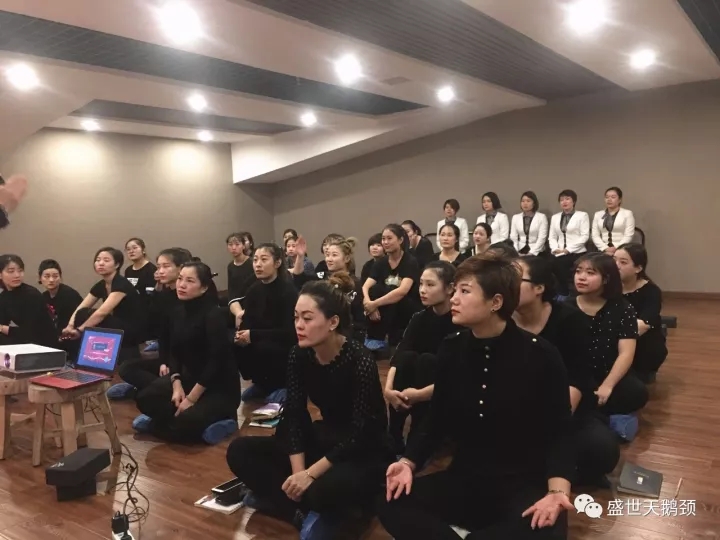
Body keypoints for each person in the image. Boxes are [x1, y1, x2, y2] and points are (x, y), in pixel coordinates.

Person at [378, 253, 573, 540]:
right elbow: (436, 418)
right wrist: (408, 463)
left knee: (550, 527)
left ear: (496, 302)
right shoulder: (452, 347)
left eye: (464, 291)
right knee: (390, 499)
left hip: (520, 483)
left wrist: (557, 491)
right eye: (455, 290)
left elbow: (561, 430)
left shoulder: (541, 354)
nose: (454, 298)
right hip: (465, 478)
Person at [226, 274, 393, 535]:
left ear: (333, 322)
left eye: (307, 318)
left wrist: (311, 474)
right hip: (325, 436)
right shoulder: (299, 353)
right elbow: (295, 414)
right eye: (295, 317)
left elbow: (363, 432)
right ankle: (297, 510)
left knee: (323, 491)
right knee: (239, 451)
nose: (299, 325)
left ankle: (286, 502)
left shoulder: (359, 359)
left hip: (361, 448)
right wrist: (299, 472)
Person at [513, 256, 619, 486]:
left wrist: (550, 424)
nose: (505, 285)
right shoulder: (499, 318)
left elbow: (576, 379)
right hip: (512, 404)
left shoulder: (569, 320)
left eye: (515, 280)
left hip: (561, 405)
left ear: (539, 288)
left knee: (600, 450)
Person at [132, 262, 240, 444]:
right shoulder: (177, 312)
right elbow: (174, 352)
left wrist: (191, 398)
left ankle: (222, 422)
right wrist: (176, 385)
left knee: (187, 423)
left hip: (217, 387)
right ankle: (174, 425)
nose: (181, 285)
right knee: (144, 398)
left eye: (190, 281)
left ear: (204, 287)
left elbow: (216, 362)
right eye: (180, 279)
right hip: (188, 379)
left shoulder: (213, 315)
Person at [385, 262, 459, 455]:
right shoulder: (419, 317)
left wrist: (418, 395)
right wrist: (389, 390)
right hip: (414, 386)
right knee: (408, 358)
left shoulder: (459, 321)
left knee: (427, 361)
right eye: (421, 284)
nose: (422, 290)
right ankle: (394, 435)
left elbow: (454, 374)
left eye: (430, 285)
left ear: (450, 288)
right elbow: (400, 355)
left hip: (442, 389)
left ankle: (420, 438)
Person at [568, 253, 648, 419]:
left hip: (607, 371)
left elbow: (626, 353)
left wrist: (608, 385)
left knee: (636, 392)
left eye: (590, 273)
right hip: (574, 375)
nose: (581, 277)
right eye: (578, 271)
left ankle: (590, 413)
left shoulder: (623, 308)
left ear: (606, 279)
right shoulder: (565, 306)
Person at [107, 248, 191, 401]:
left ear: (181, 268)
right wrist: (164, 362)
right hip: (169, 358)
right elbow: (162, 332)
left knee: (145, 397)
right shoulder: (164, 294)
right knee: (127, 368)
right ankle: (154, 389)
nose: (160, 271)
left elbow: (180, 339)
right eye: (158, 267)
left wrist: (171, 365)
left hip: (186, 362)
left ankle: (154, 391)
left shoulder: (186, 297)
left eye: (166, 266)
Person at [234, 243, 298, 402]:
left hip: (281, 346)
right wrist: (241, 335)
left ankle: (284, 386)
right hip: (260, 342)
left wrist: (253, 335)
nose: (258, 264)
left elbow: (290, 332)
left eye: (264, 260)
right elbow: (247, 320)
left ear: (277, 263)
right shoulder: (253, 290)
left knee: (268, 346)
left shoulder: (288, 291)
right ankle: (261, 384)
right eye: (255, 260)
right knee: (234, 345)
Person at [290, 236, 366, 343]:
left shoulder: (354, 283)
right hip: (324, 334)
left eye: (334, 255)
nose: (329, 259)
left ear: (347, 258)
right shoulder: (322, 277)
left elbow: (358, 319)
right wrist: (300, 256)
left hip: (347, 336)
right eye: (327, 255)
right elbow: (299, 279)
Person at [62, 247, 143, 347]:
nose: (100, 263)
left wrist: (80, 330)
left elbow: (102, 313)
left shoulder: (121, 284)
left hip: (131, 329)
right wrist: (70, 326)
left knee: (91, 316)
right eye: (98, 260)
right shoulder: (102, 284)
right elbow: (81, 307)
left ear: (117, 265)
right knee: (82, 313)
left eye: (106, 260)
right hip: (115, 324)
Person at [614, 243, 667, 383]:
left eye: (623, 262)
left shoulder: (651, 291)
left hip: (643, 345)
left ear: (638, 268)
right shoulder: (608, 287)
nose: (616, 265)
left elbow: (642, 325)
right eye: (614, 260)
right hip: (615, 339)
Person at [362, 224, 421, 348]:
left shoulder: (410, 261)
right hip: (383, 306)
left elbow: (402, 291)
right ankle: (374, 340)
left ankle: (392, 341)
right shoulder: (380, 263)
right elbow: (365, 287)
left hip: (405, 306)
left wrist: (375, 304)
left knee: (392, 291)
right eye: (383, 239)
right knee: (375, 290)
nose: (385, 242)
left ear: (400, 240)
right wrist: (369, 304)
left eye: (389, 238)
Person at [0, 254, 57, 347]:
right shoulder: (4, 296)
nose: (17, 275)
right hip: (25, 341)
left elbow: (30, 332)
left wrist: (2, 328)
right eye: (11, 271)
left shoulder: (31, 295)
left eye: (20, 271)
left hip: (42, 343)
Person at [548, 189, 590, 297]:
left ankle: (575, 297)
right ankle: (562, 296)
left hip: (577, 252)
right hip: (559, 253)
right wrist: (555, 248)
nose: (564, 202)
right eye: (562, 200)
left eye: (567, 199)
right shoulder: (555, 217)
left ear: (574, 201)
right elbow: (552, 236)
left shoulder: (582, 215)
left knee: (572, 274)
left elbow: (584, 236)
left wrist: (568, 249)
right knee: (555, 270)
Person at [38, 259, 83, 335]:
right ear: (40, 278)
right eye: (47, 276)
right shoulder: (43, 296)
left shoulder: (69, 295)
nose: (51, 280)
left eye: (55, 276)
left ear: (60, 277)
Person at [591, 187, 635, 255]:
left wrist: (616, 248)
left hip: (622, 249)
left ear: (619, 200)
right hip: (603, 250)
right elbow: (595, 235)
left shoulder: (627, 214)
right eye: (607, 197)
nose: (609, 199)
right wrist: (605, 248)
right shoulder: (598, 214)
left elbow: (628, 235)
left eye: (613, 197)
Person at [226, 232, 257, 328]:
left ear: (243, 246)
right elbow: (231, 290)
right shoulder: (230, 266)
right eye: (230, 245)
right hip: (236, 301)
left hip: (251, 300)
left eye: (237, 244)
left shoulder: (252, 263)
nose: (233, 248)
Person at [510, 191, 549, 256]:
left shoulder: (541, 217)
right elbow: (513, 237)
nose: (525, 203)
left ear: (534, 203)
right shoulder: (515, 217)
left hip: (537, 251)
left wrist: (531, 253)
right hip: (519, 249)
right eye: (523, 201)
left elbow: (542, 238)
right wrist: (516, 252)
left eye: (528, 201)